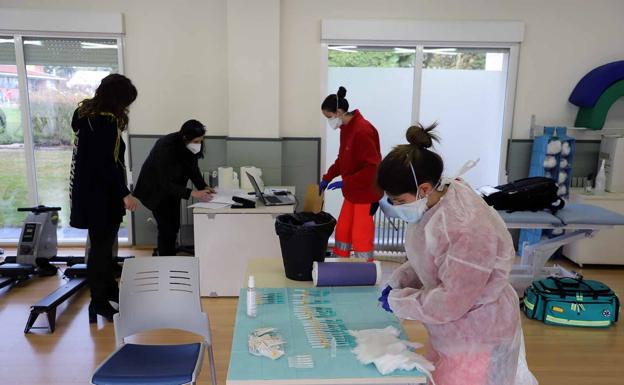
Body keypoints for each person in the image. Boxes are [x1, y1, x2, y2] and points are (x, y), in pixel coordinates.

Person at [376, 124, 538, 385]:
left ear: (424, 189)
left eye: (399, 201)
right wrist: (400, 282)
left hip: (478, 336)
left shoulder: (465, 228)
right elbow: (432, 258)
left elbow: (451, 301)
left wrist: (401, 302)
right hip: (454, 333)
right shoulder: (440, 199)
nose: (394, 207)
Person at [69, 74, 138, 322]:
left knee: (104, 246)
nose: (126, 107)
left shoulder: (88, 117)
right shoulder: (103, 123)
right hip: (100, 196)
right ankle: (99, 301)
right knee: (100, 249)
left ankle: (109, 291)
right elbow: (107, 165)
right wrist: (124, 194)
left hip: (93, 193)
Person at [134, 119, 214, 256]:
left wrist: (204, 186)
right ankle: (165, 259)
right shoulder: (166, 147)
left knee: (174, 224)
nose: (199, 145)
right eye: (196, 141)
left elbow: (193, 169)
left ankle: (170, 252)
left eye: (201, 141)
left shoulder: (188, 146)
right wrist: (193, 193)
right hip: (155, 190)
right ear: (185, 138)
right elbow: (163, 182)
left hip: (173, 189)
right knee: (166, 227)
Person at [320, 86, 382, 258]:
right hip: (353, 192)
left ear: (339, 112)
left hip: (366, 192)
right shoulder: (346, 129)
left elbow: (373, 168)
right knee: (343, 231)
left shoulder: (363, 131)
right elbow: (342, 160)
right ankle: (341, 265)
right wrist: (327, 178)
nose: (329, 121)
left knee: (360, 234)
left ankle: (365, 271)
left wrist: (347, 181)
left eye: (329, 117)